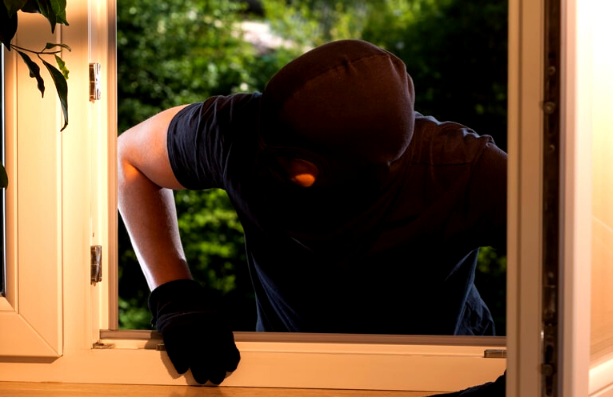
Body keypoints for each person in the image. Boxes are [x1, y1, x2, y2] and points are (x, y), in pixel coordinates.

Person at [117, 39, 507, 391]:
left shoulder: (464, 170)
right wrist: (175, 295)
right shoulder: (240, 131)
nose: (262, 161)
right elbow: (128, 159)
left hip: (444, 373)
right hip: (292, 371)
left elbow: (567, 258)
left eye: (289, 164)